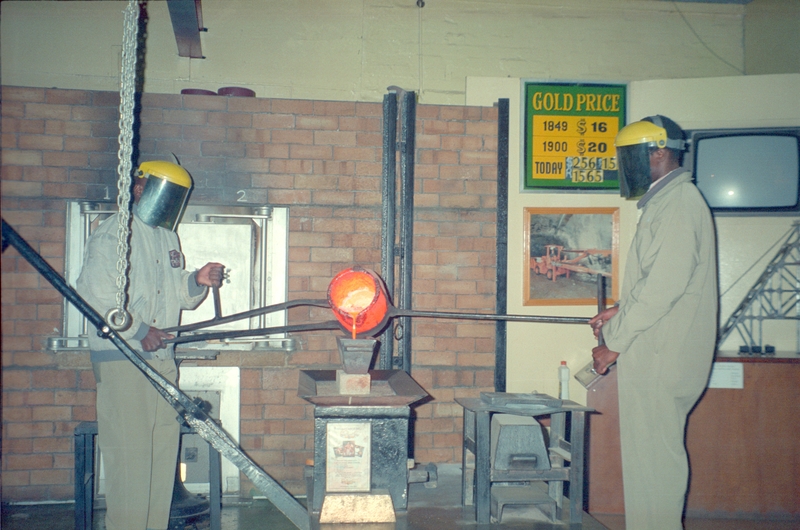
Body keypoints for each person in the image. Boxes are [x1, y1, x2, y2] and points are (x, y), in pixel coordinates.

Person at [77, 161, 224, 530]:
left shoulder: (167, 237)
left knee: (161, 458)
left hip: (161, 360)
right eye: (166, 194)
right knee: (131, 458)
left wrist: (198, 280)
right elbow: (94, 297)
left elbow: (180, 294)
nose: (170, 204)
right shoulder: (114, 234)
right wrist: (140, 329)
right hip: (123, 359)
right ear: (140, 189)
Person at [588, 116, 718, 529]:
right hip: (658, 351)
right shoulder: (668, 202)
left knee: (656, 466)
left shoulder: (679, 204)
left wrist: (615, 341)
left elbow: (663, 288)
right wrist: (620, 309)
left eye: (630, 157)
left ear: (659, 152)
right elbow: (661, 279)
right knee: (648, 462)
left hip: (663, 357)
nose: (626, 167)